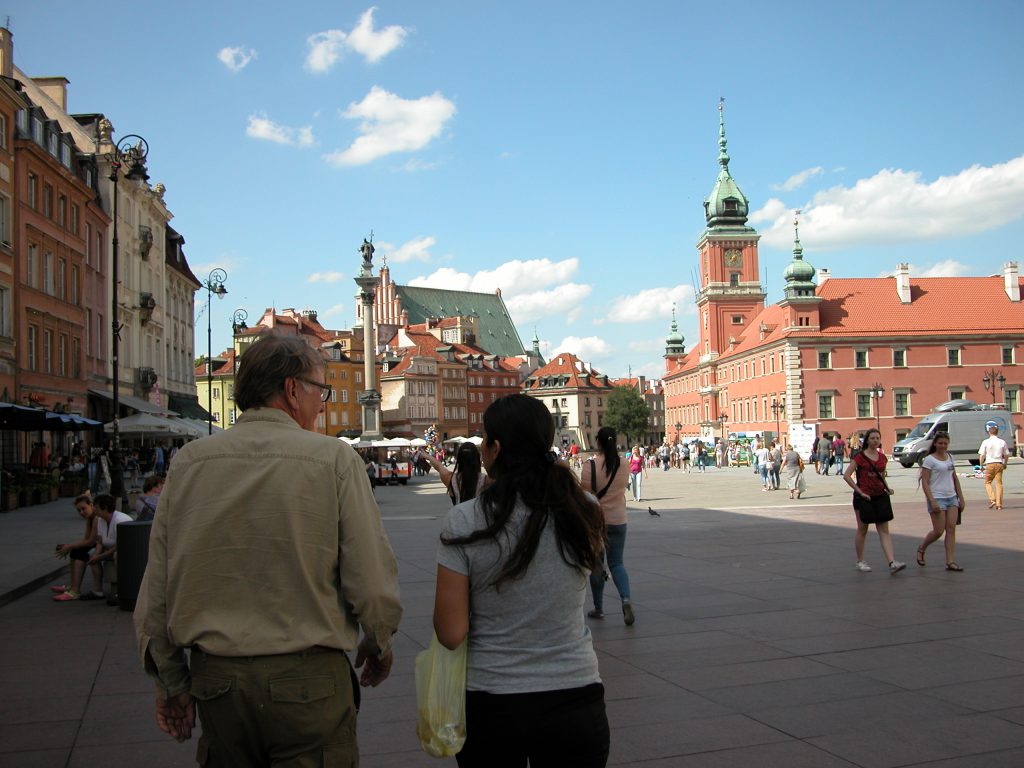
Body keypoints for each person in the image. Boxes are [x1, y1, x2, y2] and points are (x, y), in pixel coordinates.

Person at [134, 334, 403, 762]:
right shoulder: (334, 460)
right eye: (321, 391)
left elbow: (158, 590)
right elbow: (370, 580)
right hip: (309, 683)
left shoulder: (189, 463)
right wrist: (379, 640)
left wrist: (171, 682)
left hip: (218, 686)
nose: (324, 404)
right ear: (293, 391)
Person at [433, 394, 609, 767]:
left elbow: (451, 633)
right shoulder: (584, 510)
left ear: (496, 448)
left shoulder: (465, 521)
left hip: (493, 700)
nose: (481, 448)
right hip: (575, 694)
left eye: (484, 439)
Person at [582, 426, 634, 626]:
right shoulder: (624, 464)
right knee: (617, 563)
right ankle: (626, 600)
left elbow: (585, 495)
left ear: (599, 442)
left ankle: (599, 608)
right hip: (619, 519)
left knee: (597, 564)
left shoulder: (590, 466)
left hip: (596, 522)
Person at [843, 428, 906, 574]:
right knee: (862, 529)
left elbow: (881, 476)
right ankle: (860, 561)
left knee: (884, 530)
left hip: (879, 496)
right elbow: (847, 475)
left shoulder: (882, 458)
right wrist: (860, 491)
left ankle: (892, 562)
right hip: (863, 498)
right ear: (867, 440)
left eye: (878, 438)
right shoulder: (860, 457)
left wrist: (887, 488)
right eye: (872, 438)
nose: (875, 440)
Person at [916, 432, 965, 571]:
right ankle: (922, 548)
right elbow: (925, 481)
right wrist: (932, 501)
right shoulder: (929, 460)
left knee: (951, 529)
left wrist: (960, 497)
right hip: (937, 497)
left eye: (945, 443)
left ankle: (950, 561)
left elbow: (954, 478)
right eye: (940, 443)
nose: (943, 446)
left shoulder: (950, 457)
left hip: (951, 497)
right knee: (938, 531)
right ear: (935, 444)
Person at [52, 493, 105, 602]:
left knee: (80, 553)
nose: (81, 512)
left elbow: (91, 541)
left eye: (83, 508)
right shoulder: (90, 518)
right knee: (75, 551)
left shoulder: (96, 518)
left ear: (91, 505)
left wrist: (70, 546)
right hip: (99, 543)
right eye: (79, 510)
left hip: (104, 545)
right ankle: (73, 586)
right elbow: (86, 538)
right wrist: (69, 546)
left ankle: (75, 591)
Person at [88, 493, 133, 604]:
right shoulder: (100, 520)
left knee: (116, 555)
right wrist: (96, 555)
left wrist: (101, 556)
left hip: (124, 549)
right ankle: (97, 590)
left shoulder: (120, 520)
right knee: (92, 553)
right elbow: (99, 540)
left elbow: (119, 545)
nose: (94, 510)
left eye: (97, 508)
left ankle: (122, 590)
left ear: (106, 508)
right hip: (109, 548)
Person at [978, 420, 1009, 510]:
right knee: (999, 484)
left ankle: (993, 499)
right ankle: (999, 504)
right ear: (997, 432)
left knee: (987, 482)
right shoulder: (1002, 442)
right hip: (999, 463)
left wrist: (981, 466)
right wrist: (1005, 463)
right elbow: (1007, 454)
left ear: (989, 432)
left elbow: (982, 455)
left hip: (990, 464)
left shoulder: (985, 442)